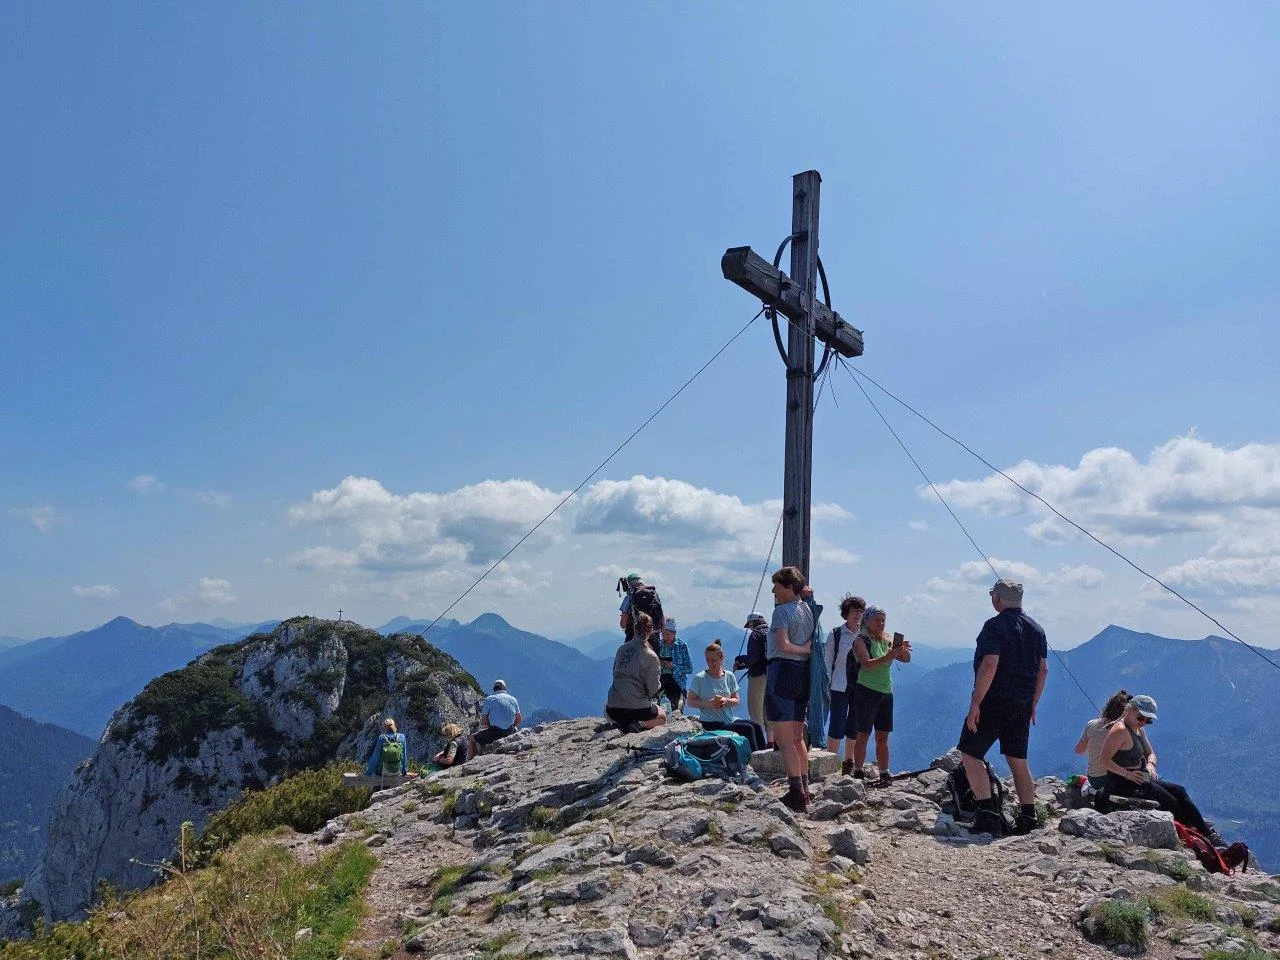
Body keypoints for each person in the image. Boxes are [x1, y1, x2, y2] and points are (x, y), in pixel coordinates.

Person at [957, 578, 1048, 836]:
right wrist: (1033, 704)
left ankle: (987, 816)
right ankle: (1028, 817)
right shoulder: (1037, 629)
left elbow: (989, 665)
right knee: (1018, 760)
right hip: (1021, 703)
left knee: (970, 753)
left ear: (997, 599)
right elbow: (1043, 670)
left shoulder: (994, 626)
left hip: (994, 701)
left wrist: (976, 703)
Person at [1100, 694, 1223, 843]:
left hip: (1139, 777)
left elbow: (1150, 753)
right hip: (1121, 782)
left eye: (1148, 720)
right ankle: (1200, 834)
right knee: (1170, 801)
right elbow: (1104, 760)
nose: (1144, 722)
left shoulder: (1138, 729)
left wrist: (1151, 765)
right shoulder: (1120, 730)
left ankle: (1207, 834)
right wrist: (1127, 774)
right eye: (1141, 718)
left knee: (1179, 790)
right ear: (1130, 710)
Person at [766, 565, 816, 812]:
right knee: (798, 737)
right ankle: (805, 790)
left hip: (782, 671)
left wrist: (802, 649)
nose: (773, 590)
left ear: (788, 588)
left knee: (784, 740)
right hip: (803, 676)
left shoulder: (781, 612)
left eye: (777, 585)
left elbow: (783, 645)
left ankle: (796, 793)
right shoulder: (807, 609)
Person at [844, 605, 911, 784]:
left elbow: (906, 660)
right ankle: (858, 771)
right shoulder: (860, 640)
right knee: (863, 734)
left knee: (883, 736)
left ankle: (884, 773)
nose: (881, 623)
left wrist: (901, 651)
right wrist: (889, 656)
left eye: (883, 620)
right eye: (876, 620)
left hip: (885, 691)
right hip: (866, 690)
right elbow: (866, 663)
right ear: (867, 621)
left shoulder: (886, 640)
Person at [687, 640, 766, 751]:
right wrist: (708, 704)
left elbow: (737, 701)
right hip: (710, 723)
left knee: (756, 726)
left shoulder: (729, 676)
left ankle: (763, 756)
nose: (710, 663)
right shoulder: (700, 678)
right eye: (708, 660)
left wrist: (726, 701)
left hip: (728, 719)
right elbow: (690, 701)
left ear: (721, 658)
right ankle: (754, 759)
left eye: (714, 660)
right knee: (747, 729)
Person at [605, 611, 667, 733]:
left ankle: (621, 723)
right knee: (662, 717)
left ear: (634, 627)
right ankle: (639, 724)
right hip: (638, 708)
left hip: (613, 708)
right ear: (651, 630)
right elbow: (654, 687)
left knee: (606, 707)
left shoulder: (621, 649)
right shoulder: (651, 656)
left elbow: (615, 674)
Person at [826, 594, 866, 757]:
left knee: (854, 727)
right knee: (836, 725)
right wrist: (826, 684)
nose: (857, 614)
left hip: (861, 687)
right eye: (854, 611)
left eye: (860, 611)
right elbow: (828, 661)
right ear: (846, 613)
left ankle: (848, 763)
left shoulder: (866, 636)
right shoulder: (836, 634)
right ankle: (831, 760)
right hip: (839, 685)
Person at [1074, 690, 1131, 792]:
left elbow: (1079, 750)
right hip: (1113, 778)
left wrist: (1095, 747)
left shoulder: (1091, 724)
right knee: (1145, 778)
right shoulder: (1124, 729)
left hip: (1094, 779)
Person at [739, 611, 772, 748]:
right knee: (769, 711)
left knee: (755, 710)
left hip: (757, 675)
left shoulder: (755, 635)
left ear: (753, 623)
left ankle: (760, 743)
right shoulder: (772, 633)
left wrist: (740, 660)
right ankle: (772, 742)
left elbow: (753, 659)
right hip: (772, 676)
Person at [469, 679, 523, 757]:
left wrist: (490, 726)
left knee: (472, 739)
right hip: (509, 732)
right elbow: (519, 719)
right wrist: (512, 726)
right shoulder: (513, 699)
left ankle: (471, 760)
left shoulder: (489, 699)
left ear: (494, 688)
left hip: (494, 733)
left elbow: (484, 721)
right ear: (505, 688)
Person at [656, 618, 693, 712]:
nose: (665, 637)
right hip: (661, 681)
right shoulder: (659, 645)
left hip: (677, 682)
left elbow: (689, 668)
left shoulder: (682, 646)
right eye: (663, 634)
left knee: (674, 707)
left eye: (668, 634)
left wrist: (673, 666)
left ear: (674, 633)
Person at [618, 573, 664, 647]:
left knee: (627, 657)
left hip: (635, 638)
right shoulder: (654, 595)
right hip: (654, 637)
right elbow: (662, 619)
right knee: (655, 658)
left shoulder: (629, 598)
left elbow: (623, 624)